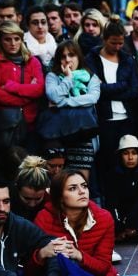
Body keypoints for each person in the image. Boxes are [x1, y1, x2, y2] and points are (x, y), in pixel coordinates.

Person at [85, 19, 138, 192]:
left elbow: (133, 90)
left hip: (126, 118)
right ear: (104, 39)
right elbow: (95, 90)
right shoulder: (91, 58)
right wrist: (121, 85)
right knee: (107, 162)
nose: (117, 47)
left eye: (120, 43)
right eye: (113, 42)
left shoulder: (127, 59)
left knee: (127, 163)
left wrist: (109, 89)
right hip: (105, 119)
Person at [0, 21, 44, 161]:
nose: (13, 43)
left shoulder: (32, 61)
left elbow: (39, 89)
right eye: (7, 39)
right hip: (2, 126)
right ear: (0, 41)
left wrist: (12, 87)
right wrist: (27, 96)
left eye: (16, 39)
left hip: (30, 125)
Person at [43, 40, 102, 180]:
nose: (67, 59)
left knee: (80, 180)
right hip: (57, 134)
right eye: (63, 56)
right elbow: (54, 95)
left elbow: (92, 98)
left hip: (83, 133)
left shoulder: (90, 76)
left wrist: (64, 102)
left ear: (79, 57)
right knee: (57, 180)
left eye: (71, 55)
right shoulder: (53, 76)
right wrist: (68, 78)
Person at [105, 135, 138, 243]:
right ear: (120, 155)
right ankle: (131, 233)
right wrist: (120, 224)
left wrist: (130, 221)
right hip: (121, 216)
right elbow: (111, 202)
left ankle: (130, 233)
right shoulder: (113, 174)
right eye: (126, 153)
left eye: (134, 153)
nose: (130, 158)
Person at [13, 155, 50, 222]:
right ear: (17, 189)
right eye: (27, 198)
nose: (32, 204)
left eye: (38, 199)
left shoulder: (50, 205)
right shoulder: (7, 203)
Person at [24, 6, 56, 70]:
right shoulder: (22, 46)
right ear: (28, 26)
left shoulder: (55, 45)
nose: (40, 26)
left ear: (47, 25)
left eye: (43, 22)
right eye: (35, 23)